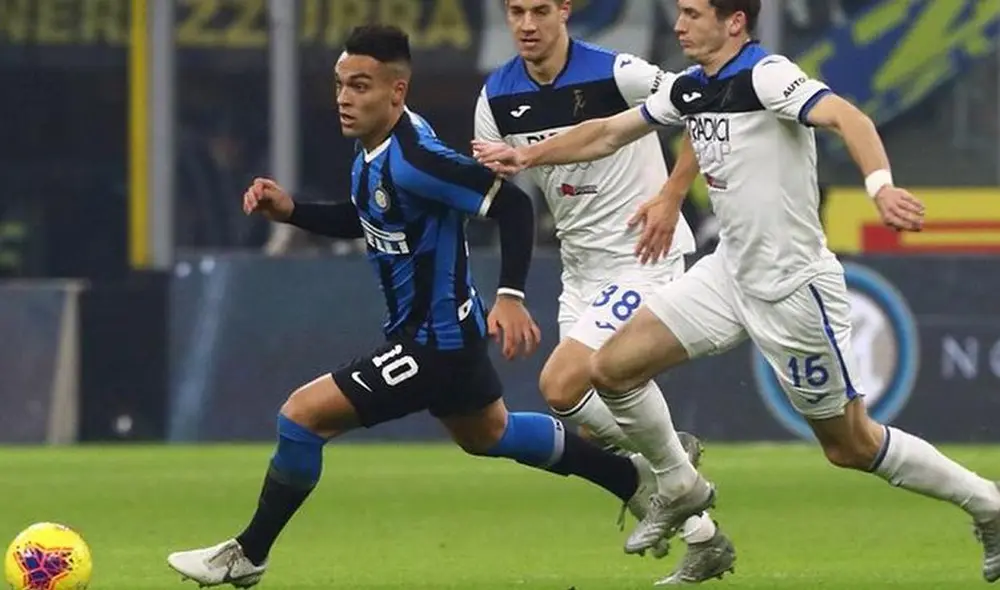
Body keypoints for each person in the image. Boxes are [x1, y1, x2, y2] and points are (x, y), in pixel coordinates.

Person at [473, 0, 1000, 583]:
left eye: (694, 14)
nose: (679, 26)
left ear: (735, 22)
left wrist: (880, 186)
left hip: (792, 289)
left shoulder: (767, 74)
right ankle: (677, 483)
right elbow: (606, 133)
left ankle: (988, 504)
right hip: (726, 275)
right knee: (610, 368)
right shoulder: (695, 87)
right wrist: (526, 154)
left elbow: (850, 117)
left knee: (850, 444)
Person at [166, 25, 683, 588]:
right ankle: (629, 478)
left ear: (396, 91)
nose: (344, 97)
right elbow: (363, 218)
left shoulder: (417, 157)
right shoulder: (373, 152)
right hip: (446, 339)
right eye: (340, 84)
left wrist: (511, 294)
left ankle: (248, 555)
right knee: (491, 434)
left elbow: (510, 205)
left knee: (301, 416)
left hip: (432, 344)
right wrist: (293, 211)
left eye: (360, 86)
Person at [474, 0, 735, 581]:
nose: (527, 24)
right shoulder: (495, 98)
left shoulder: (618, 72)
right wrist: (509, 290)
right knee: (589, 420)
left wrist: (671, 196)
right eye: (515, 11)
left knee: (561, 381)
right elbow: (506, 198)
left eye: (540, 10)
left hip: (642, 256)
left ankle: (677, 470)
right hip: (581, 272)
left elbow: (704, 105)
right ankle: (704, 533)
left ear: (565, 10)